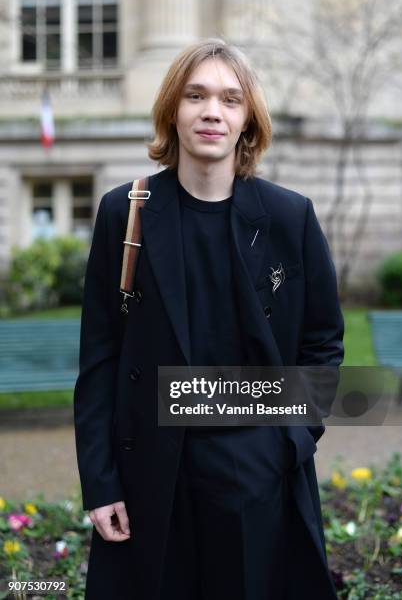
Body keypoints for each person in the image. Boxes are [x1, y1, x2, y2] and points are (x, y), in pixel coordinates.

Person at [73, 37, 344, 600]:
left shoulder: (290, 217)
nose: (211, 112)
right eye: (195, 95)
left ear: (248, 119)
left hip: (256, 470)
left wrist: (288, 444)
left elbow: (322, 344)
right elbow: (99, 360)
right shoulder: (125, 212)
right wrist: (100, 484)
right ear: (174, 108)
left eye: (229, 98)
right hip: (150, 471)